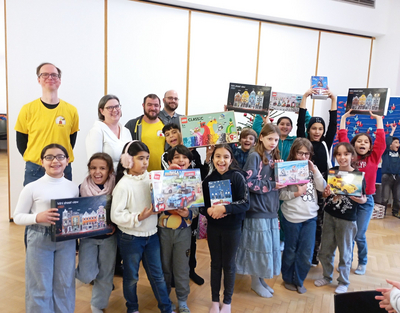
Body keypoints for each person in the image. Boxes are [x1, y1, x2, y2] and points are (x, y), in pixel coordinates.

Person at [13, 143, 79, 313]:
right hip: (39, 238)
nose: (54, 161)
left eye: (60, 157)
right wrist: (37, 217)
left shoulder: (73, 188)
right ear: (41, 162)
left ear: (67, 161)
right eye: (49, 157)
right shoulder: (32, 187)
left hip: (66, 240)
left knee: (65, 284)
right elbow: (18, 216)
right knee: (39, 286)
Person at [110, 141, 173, 313]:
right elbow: (116, 215)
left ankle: (166, 308)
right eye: (140, 158)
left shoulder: (151, 178)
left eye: (147, 158)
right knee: (131, 277)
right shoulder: (123, 185)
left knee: (158, 276)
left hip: (152, 235)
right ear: (127, 160)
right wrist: (138, 217)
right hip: (131, 238)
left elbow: (167, 189)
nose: (145, 162)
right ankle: (132, 308)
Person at [236, 124, 285, 298]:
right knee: (258, 248)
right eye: (270, 138)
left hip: (270, 209)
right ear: (261, 137)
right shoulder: (255, 156)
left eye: (276, 140)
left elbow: (277, 182)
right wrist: (272, 185)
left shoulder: (273, 156)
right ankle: (255, 282)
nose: (273, 143)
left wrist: (280, 171)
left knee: (267, 248)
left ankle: (261, 280)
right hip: (257, 210)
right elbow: (248, 183)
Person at [201, 144, 249, 313]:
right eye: (218, 156)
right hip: (214, 227)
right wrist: (207, 210)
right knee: (215, 264)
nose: (221, 160)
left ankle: (227, 301)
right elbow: (202, 205)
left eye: (226, 157)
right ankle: (215, 300)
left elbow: (245, 203)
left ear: (231, 159)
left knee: (228, 264)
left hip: (232, 227)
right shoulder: (208, 180)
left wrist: (225, 209)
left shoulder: (237, 177)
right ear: (212, 159)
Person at [161, 124, 210, 286]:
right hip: (172, 206)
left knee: (191, 239)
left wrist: (208, 158)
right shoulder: (166, 156)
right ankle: (174, 275)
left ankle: (190, 270)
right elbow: (170, 177)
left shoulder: (194, 153)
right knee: (171, 247)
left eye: (175, 132)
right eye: (167, 134)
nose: (171, 136)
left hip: (191, 203)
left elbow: (201, 175)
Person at [314, 142, 366, 294]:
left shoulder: (357, 176)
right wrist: (325, 193)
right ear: (335, 156)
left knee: (345, 252)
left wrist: (359, 199)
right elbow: (326, 194)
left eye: (346, 154)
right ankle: (327, 276)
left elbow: (364, 199)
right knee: (325, 249)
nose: (342, 157)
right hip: (330, 215)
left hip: (347, 219)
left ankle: (343, 281)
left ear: (352, 155)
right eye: (339, 154)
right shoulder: (332, 172)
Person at [15, 62, 79, 185]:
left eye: (54, 75)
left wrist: (60, 160)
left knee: (63, 204)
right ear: (38, 79)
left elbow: (71, 141)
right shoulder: (27, 109)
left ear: (59, 80)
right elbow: (21, 142)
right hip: (35, 169)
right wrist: (38, 160)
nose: (50, 77)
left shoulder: (71, 110)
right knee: (34, 204)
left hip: (63, 168)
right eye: (45, 74)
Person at [339, 109, 385, 275]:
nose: (362, 144)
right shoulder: (351, 158)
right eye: (359, 141)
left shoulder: (373, 158)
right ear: (353, 145)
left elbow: (381, 140)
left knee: (359, 235)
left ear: (370, 146)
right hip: (349, 199)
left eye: (366, 141)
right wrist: (344, 117)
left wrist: (378, 119)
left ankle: (363, 261)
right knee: (348, 234)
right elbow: (342, 138)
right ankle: (347, 261)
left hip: (367, 201)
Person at [279, 138, 326, 294]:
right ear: (294, 153)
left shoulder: (313, 169)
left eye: (307, 154)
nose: (303, 157)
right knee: (291, 250)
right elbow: (281, 195)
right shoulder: (286, 168)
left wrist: (315, 170)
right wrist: (296, 193)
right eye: (300, 153)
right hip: (291, 216)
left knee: (306, 252)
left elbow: (323, 187)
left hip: (310, 217)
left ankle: (299, 280)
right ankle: (287, 278)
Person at [297, 87, 337, 266]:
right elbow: (299, 122)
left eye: (320, 128)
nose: (317, 131)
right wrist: (305, 97)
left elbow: (334, 124)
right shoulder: (302, 142)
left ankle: (314, 255)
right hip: (303, 188)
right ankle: (299, 251)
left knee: (319, 224)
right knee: (303, 221)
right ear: (309, 129)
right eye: (314, 128)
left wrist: (333, 100)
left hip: (321, 190)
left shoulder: (325, 143)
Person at [158, 145, 198, 313]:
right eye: (176, 157)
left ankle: (182, 300)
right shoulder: (160, 179)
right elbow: (156, 202)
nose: (181, 160)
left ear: (190, 162)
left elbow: (197, 207)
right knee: (164, 266)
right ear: (169, 161)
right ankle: (165, 298)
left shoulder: (194, 181)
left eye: (184, 158)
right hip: (163, 230)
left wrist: (188, 211)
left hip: (184, 231)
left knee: (182, 266)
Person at [75, 153, 116, 313]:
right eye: (93, 168)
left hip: (109, 238)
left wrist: (115, 226)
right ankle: (64, 286)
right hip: (88, 238)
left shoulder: (116, 186)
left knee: (106, 274)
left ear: (109, 170)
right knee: (86, 274)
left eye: (102, 168)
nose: (97, 172)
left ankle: (98, 305)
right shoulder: (81, 188)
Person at [86, 94, 132, 172]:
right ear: (102, 111)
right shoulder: (97, 130)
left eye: (117, 106)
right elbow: (95, 162)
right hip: (106, 179)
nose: (114, 110)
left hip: (125, 178)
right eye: (110, 107)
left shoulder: (126, 131)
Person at [125, 94, 165, 172]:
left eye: (156, 105)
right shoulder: (132, 125)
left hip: (163, 175)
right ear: (143, 106)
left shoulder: (167, 125)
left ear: (160, 107)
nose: (153, 108)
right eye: (149, 105)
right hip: (139, 175)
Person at [380, 123, 400, 217]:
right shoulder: (386, 152)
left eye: (398, 143)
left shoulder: (398, 153)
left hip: (398, 177)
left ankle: (395, 212)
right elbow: (387, 142)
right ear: (391, 144)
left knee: (398, 197)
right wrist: (392, 131)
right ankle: (382, 213)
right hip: (387, 176)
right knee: (385, 197)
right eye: (395, 142)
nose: (398, 144)